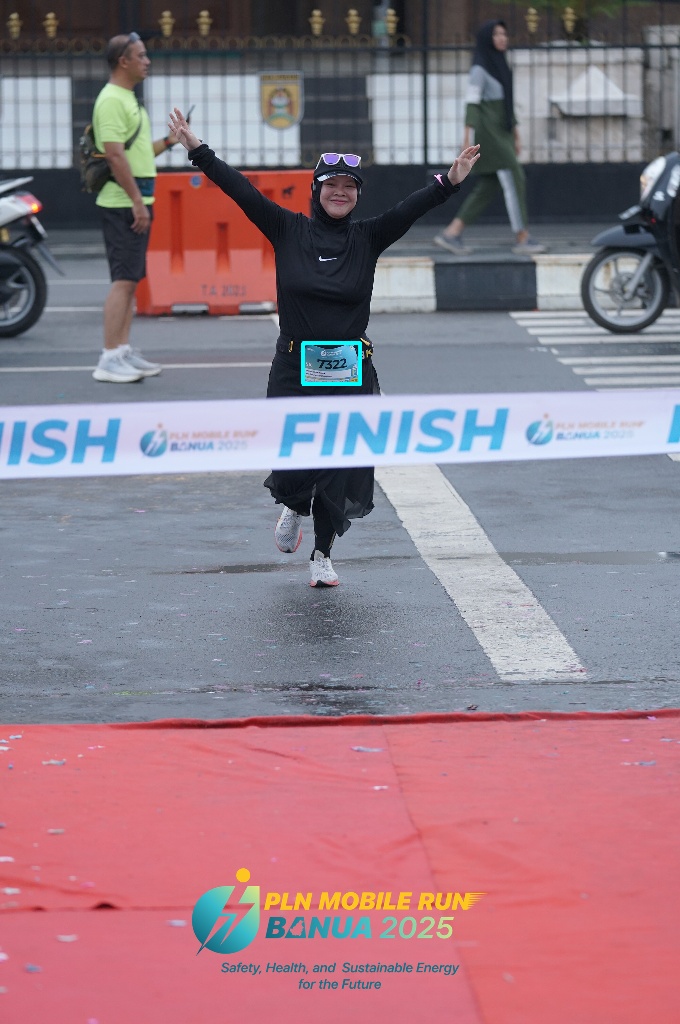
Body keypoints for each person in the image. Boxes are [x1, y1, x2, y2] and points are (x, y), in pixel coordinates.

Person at [168, 107, 479, 587]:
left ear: (358, 195)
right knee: (293, 460)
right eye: (331, 184)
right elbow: (241, 190)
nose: (340, 192)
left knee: (339, 466)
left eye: (349, 186)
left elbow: (411, 209)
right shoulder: (287, 228)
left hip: (349, 369)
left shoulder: (368, 237)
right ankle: (294, 504)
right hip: (294, 368)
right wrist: (198, 150)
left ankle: (322, 553)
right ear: (316, 190)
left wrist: (450, 181)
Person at [91, 32, 178, 383]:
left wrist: (170, 140)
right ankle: (109, 357)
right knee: (123, 281)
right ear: (122, 61)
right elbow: (114, 156)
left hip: (135, 201)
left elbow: (137, 153)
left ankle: (122, 349)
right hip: (123, 203)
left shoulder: (128, 99)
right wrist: (137, 202)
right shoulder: (112, 100)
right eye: (140, 56)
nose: (147, 61)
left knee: (130, 280)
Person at [433, 20, 546, 257]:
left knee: (489, 185)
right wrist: (466, 137)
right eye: (496, 34)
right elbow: (472, 103)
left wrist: (515, 134)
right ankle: (522, 236)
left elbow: (507, 105)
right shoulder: (480, 68)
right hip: (490, 135)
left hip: (502, 133)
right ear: (487, 39)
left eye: (504, 34)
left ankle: (451, 233)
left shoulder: (500, 65)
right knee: (515, 177)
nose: (502, 38)